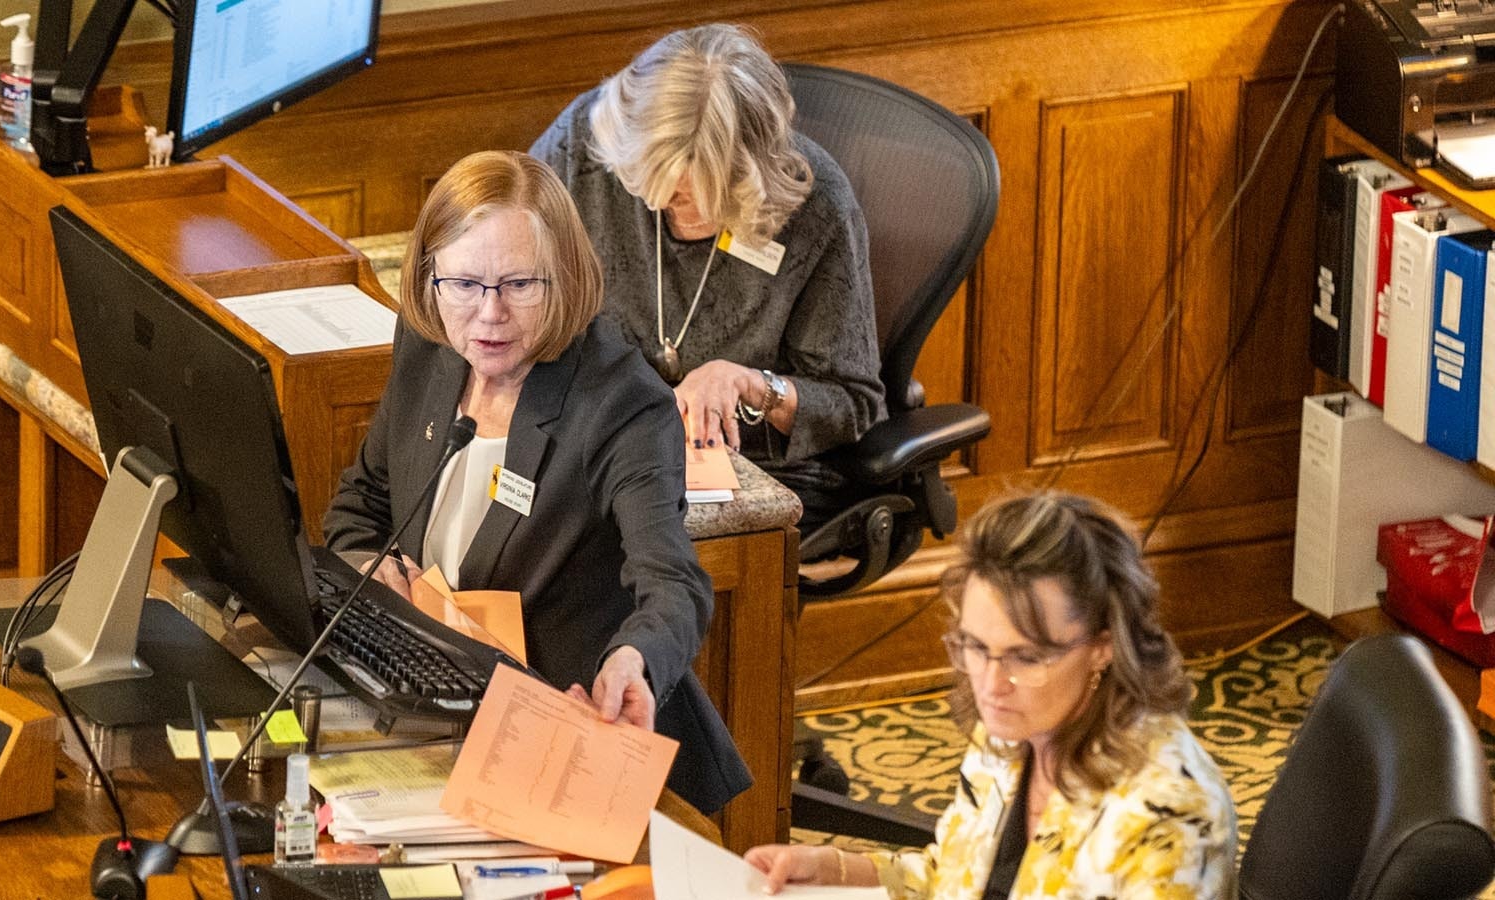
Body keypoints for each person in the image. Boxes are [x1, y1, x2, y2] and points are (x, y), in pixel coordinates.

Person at [323, 150, 751, 814]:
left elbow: (674, 582)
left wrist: (636, 659)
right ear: (430, 279)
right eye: (463, 284)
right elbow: (365, 499)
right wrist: (366, 568)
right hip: (429, 702)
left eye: (519, 285)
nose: (488, 315)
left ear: (564, 277)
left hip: (566, 735)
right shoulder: (433, 342)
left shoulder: (620, 404)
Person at [744, 491, 1236, 898]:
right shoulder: (1016, 729)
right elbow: (956, 877)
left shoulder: (1170, 819)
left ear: (1102, 648)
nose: (991, 685)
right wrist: (833, 869)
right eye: (976, 647)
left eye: (1027, 657)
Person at [530, 24, 886, 534]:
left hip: (755, 469)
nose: (663, 207)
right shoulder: (584, 147)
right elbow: (511, 270)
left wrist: (748, 384)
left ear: (752, 173)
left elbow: (852, 405)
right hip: (604, 439)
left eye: (692, 195)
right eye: (650, 187)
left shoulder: (817, 207)